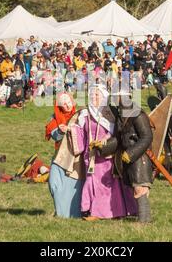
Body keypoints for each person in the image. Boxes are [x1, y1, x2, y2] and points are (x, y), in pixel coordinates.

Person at [71, 84, 136, 221]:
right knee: (91, 181)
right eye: (92, 94)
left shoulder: (109, 113)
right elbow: (81, 133)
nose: (94, 97)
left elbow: (114, 133)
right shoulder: (85, 114)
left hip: (106, 155)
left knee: (105, 184)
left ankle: (100, 212)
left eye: (97, 95)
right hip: (91, 156)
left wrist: (104, 142)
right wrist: (72, 128)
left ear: (103, 96)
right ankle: (89, 209)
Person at [99, 88, 154, 223]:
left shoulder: (138, 114)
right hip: (128, 157)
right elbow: (119, 139)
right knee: (135, 187)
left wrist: (131, 153)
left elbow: (147, 137)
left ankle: (145, 221)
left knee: (140, 187)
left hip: (139, 157)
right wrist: (103, 147)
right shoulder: (121, 115)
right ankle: (143, 219)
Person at [46, 92, 82, 218]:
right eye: (64, 104)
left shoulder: (80, 116)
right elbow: (53, 136)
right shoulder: (55, 117)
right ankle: (60, 211)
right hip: (59, 156)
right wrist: (60, 131)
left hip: (74, 157)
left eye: (69, 103)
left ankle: (70, 214)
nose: (67, 106)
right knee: (54, 183)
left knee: (72, 188)